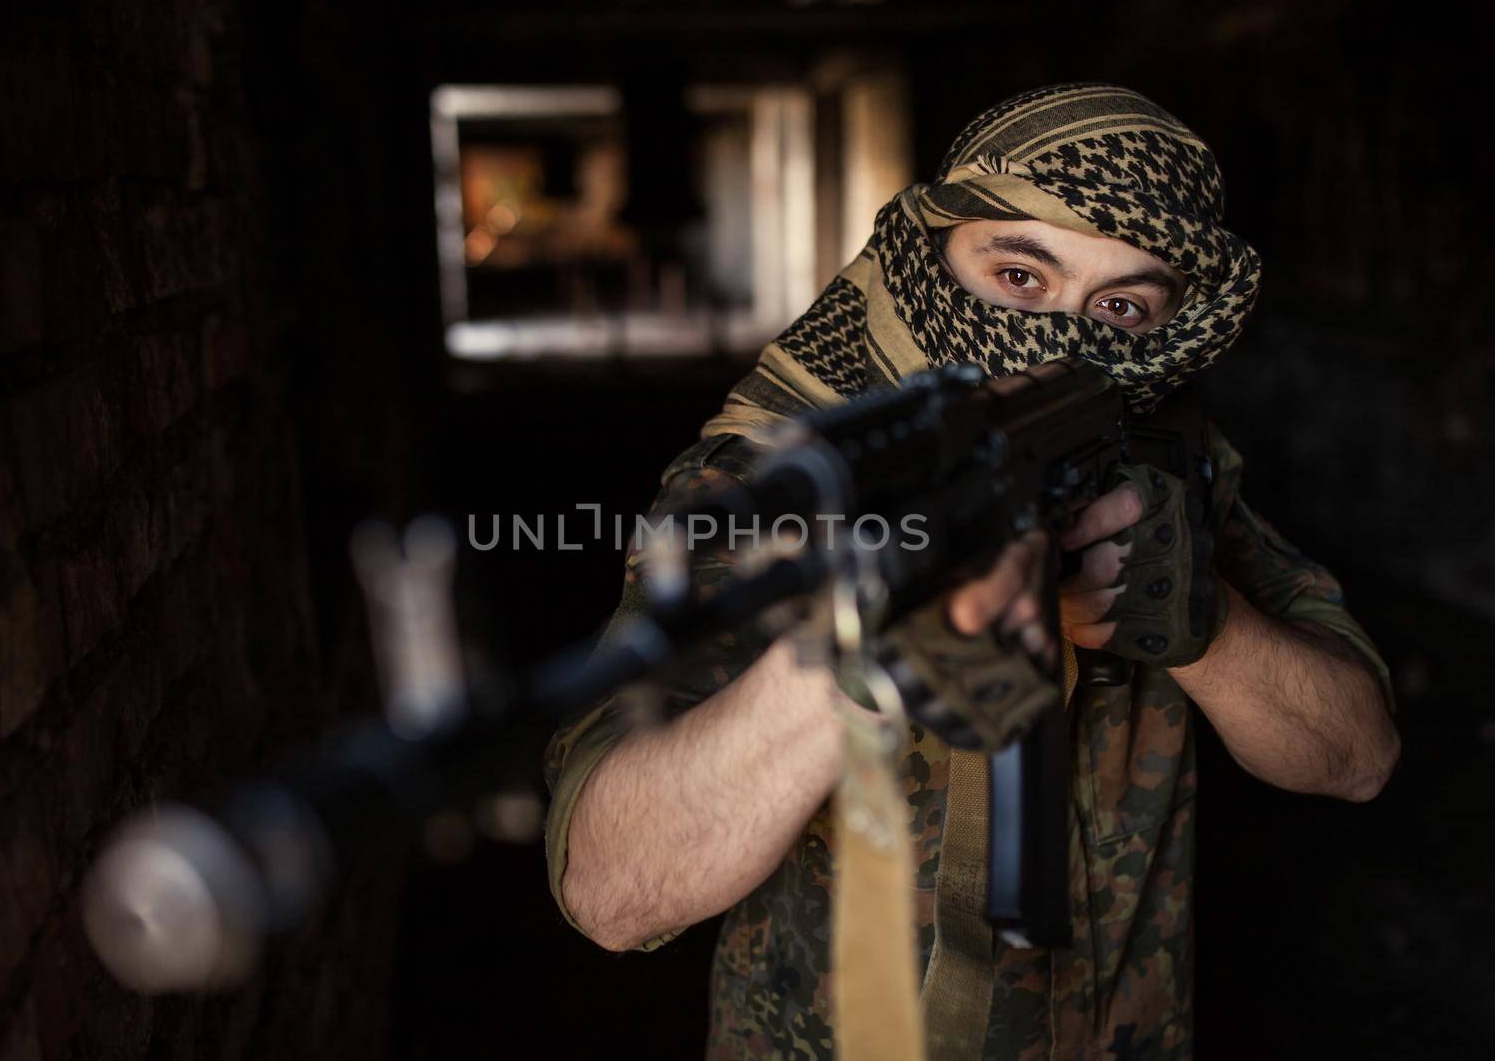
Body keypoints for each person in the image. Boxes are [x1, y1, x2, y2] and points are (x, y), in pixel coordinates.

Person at [542, 83, 1399, 1060]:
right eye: (1019, 275)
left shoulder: (1170, 460)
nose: (1056, 341)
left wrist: (1207, 624)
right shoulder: (767, 486)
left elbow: (1358, 758)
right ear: (928, 256)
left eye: (1118, 306)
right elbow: (609, 891)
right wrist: (856, 652)